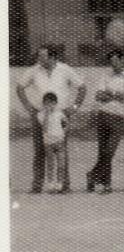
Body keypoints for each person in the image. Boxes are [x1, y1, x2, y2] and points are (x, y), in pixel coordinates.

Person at [16, 44, 87, 193]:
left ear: (53, 57)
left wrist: (74, 107)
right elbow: (20, 87)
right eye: (38, 55)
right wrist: (28, 107)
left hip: (60, 116)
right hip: (40, 116)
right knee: (39, 150)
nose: (39, 58)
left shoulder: (65, 69)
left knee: (61, 150)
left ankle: (64, 186)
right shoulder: (33, 70)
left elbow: (82, 87)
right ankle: (37, 185)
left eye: (42, 56)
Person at [88, 49, 124, 193]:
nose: (114, 65)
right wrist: (117, 95)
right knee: (102, 152)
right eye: (111, 62)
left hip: (119, 118)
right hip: (104, 115)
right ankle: (106, 184)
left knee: (109, 152)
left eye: (116, 61)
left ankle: (92, 175)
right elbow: (98, 95)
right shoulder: (105, 76)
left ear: (122, 60)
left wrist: (110, 94)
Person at [37, 92, 68, 193]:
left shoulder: (59, 113)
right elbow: (45, 128)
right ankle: (50, 185)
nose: (50, 106)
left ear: (56, 103)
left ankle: (59, 185)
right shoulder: (40, 114)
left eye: (52, 103)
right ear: (43, 104)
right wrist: (46, 113)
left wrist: (63, 132)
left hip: (59, 141)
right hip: (48, 142)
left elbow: (66, 123)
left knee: (61, 164)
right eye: (47, 103)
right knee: (50, 164)